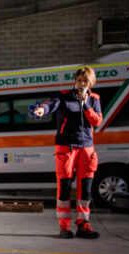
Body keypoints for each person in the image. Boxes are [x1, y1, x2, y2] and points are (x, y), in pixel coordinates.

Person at [33, 66, 102, 239]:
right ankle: (64, 226)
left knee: (85, 190)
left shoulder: (94, 99)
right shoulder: (63, 96)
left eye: (84, 81)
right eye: (78, 80)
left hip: (86, 149)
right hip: (65, 148)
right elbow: (51, 105)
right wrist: (42, 109)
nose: (81, 83)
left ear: (91, 82)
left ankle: (83, 224)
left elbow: (97, 121)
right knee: (64, 188)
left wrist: (85, 104)